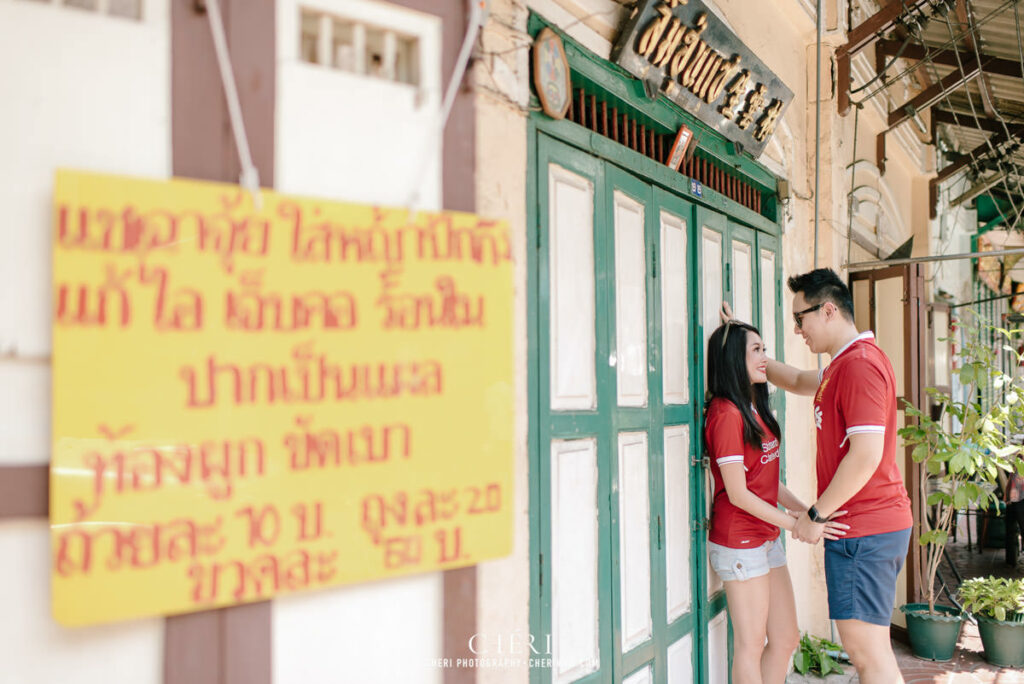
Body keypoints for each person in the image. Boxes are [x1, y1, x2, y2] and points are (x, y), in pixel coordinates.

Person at [761, 268, 913, 684]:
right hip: (866, 529)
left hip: (863, 529)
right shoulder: (840, 366)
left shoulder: (859, 366)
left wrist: (815, 515)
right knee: (871, 653)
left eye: (800, 319)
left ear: (828, 310)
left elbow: (865, 456)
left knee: (868, 656)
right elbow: (792, 378)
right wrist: (752, 355)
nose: (798, 330)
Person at [705, 318, 848, 684]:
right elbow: (738, 493)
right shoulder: (725, 413)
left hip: (766, 537)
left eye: (764, 348)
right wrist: (797, 525)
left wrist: (806, 511)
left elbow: (767, 480)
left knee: (785, 639)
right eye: (756, 350)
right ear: (734, 358)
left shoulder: (753, 406)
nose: (765, 358)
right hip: (739, 542)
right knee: (751, 646)